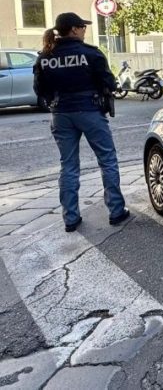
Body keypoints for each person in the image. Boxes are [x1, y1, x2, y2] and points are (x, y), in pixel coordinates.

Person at [33, 12, 130, 232]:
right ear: (74, 29)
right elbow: (109, 83)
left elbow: (40, 90)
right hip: (90, 111)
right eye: (83, 27)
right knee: (107, 160)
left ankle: (70, 218)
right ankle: (116, 211)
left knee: (68, 165)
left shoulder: (45, 56)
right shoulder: (91, 53)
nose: (85, 31)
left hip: (60, 114)